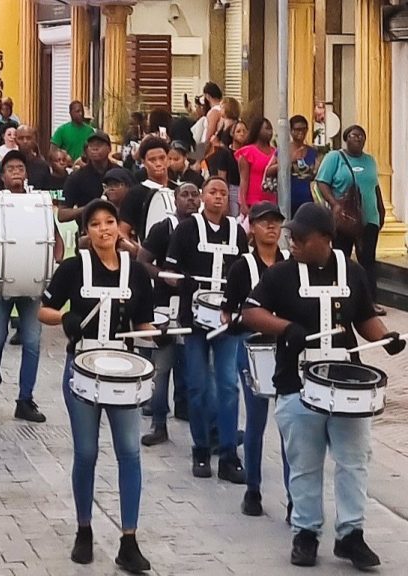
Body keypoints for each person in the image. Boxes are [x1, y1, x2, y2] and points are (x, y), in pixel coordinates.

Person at [242, 202, 398, 569]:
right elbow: (250, 311)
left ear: (326, 239)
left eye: (300, 237)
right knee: (305, 464)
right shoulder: (281, 274)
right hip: (297, 382)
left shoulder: (353, 272)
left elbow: (364, 317)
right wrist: (286, 328)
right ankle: (306, 533)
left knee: (354, 461)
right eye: (291, 236)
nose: (292, 242)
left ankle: (351, 534)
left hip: (347, 385)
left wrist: (385, 338)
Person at [38, 199, 155, 573]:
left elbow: (144, 324)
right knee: (86, 452)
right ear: (86, 232)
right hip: (82, 367)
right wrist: (64, 318)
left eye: (109, 222)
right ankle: (84, 530)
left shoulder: (137, 273)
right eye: (95, 224)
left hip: (123, 370)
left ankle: (129, 540)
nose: (104, 229)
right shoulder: (73, 268)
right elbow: (43, 310)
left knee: (129, 452)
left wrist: (161, 334)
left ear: (119, 227)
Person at [166, 177, 248, 481]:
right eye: (213, 192)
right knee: (197, 386)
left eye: (223, 193)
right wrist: (186, 285)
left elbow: (245, 272)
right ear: (203, 196)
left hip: (227, 321)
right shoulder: (187, 229)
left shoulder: (237, 232)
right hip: (195, 320)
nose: (218, 197)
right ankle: (200, 449)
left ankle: (228, 454)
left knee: (228, 385)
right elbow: (169, 272)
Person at [0, 151, 57, 423]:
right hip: (1, 281)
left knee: (31, 342)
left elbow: (53, 238)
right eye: (10, 168)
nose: (16, 171)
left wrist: (54, 265)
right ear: (2, 176)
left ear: (26, 173)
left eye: (20, 167)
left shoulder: (39, 203)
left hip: (32, 284)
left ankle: (25, 400)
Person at [220, 201, 291, 517]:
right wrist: (236, 322)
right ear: (253, 228)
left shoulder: (291, 264)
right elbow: (227, 312)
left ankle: (294, 496)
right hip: (251, 347)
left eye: (276, 221)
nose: (271, 227)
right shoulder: (241, 267)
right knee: (256, 420)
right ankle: (253, 489)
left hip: (286, 349)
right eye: (264, 222)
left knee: (290, 423)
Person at [137, 183, 201, 445]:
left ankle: (191, 413)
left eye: (195, 195)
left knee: (192, 366)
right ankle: (159, 423)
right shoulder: (163, 228)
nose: (190, 199)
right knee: (162, 367)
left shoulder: (204, 229)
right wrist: (164, 276)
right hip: (166, 304)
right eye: (184, 195)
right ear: (175, 199)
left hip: (195, 306)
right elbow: (142, 261)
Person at [315, 124, 383, 314]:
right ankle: (340, 298)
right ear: (346, 138)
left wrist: (381, 210)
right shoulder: (335, 157)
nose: (358, 138)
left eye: (362, 135)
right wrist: (334, 203)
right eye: (354, 135)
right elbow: (322, 182)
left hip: (369, 219)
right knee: (341, 258)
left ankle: (370, 302)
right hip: (344, 219)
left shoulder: (370, 160)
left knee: (368, 261)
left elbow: (375, 186)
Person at [118, 137, 172, 242]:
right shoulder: (135, 194)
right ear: (144, 163)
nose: (158, 163)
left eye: (162, 158)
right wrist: (136, 250)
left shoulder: (179, 190)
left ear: (168, 159)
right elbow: (122, 231)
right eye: (152, 160)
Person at [60, 131, 114, 224]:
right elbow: (62, 215)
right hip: (86, 229)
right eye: (91, 145)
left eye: (99, 145)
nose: (94, 148)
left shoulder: (120, 174)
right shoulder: (76, 177)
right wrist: (89, 208)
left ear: (109, 148)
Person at [278, 115, 318, 216]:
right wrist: (290, 160)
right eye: (297, 129)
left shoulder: (312, 151)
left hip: (307, 200)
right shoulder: (283, 150)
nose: (301, 132)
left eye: (304, 129)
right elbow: (269, 170)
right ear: (291, 131)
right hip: (287, 200)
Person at [236, 117, 277, 215]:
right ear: (258, 130)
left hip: (272, 202)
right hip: (253, 202)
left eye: (271, 129)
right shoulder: (248, 152)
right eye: (266, 129)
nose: (270, 132)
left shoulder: (275, 152)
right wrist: (243, 204)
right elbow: (243, 180)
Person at [204, 128, 241, 217]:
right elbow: (222, 177)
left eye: (245, 131)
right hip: (232, 189)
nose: (242, 134)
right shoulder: (225, 153)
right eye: (238, 131)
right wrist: (226, 199)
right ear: (232, 133)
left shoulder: (248, 152)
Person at [202, 82, 225, 146]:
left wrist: (205, 146)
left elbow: (210, 132)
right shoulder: (222, 108)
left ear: (207, 96)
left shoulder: (214, 112)